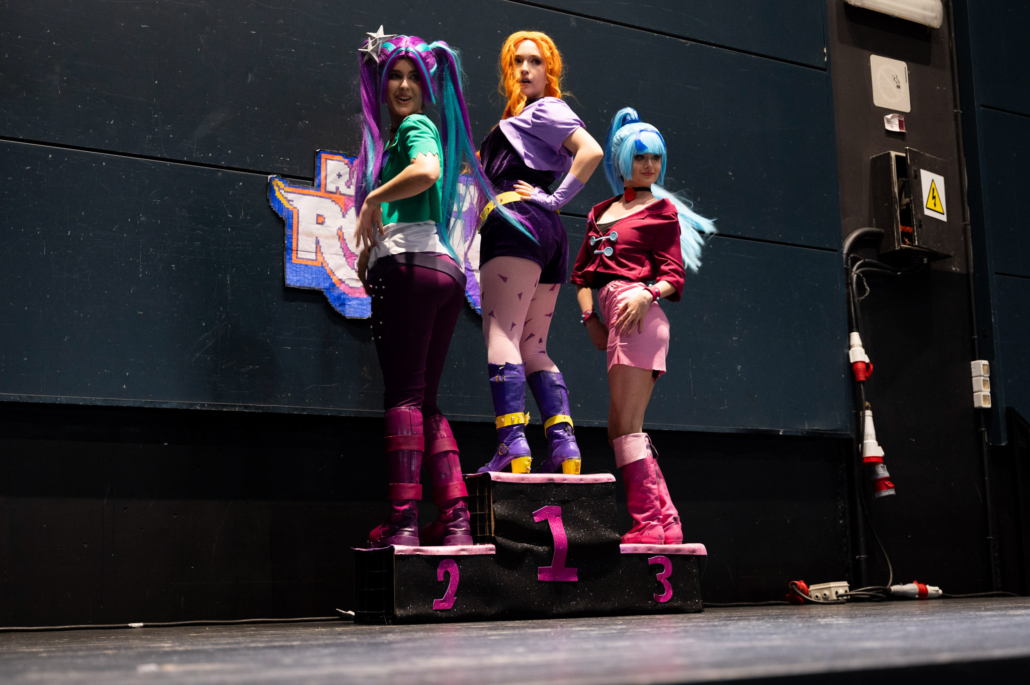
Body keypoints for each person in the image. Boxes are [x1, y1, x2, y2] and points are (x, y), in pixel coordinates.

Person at [353, 30, 521, 547]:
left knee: (404, 398)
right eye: (395, 76)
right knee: (425, 402)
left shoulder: (414, 127)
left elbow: (428, 170)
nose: (404, 86)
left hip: (411, 271)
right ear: (382, 84)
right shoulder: (396, 137)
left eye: (414, 78)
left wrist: (372, 200)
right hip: (441, 271)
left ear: (428, 88)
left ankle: (403, 520)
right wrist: (368, 252)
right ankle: (455, 518)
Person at [570, 107, 716, 544]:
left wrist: (647, 293)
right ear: (622, 161)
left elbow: (674, 275)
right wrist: (590, 320)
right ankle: (665, 520)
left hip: (639, 317)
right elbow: (581, 277)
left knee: (627, 427)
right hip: (615, 318)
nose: (649, 165)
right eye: (640, 157)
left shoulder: (661, 211)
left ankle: (649, 523)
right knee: (619, 429)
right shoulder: (599, 212)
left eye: (655, 157)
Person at [476, 31, 603, 475]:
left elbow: (591, 151)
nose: (525, 68)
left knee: (503, 335)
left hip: (517, 222)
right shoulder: (527, 118)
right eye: (517, 61)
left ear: (550, 71)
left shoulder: (546, 108)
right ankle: (564, 446)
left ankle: (512, 442)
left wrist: (555, 198)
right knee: (533, 346)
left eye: (535, 61)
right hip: (546, 233)